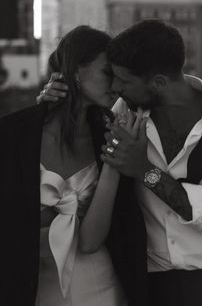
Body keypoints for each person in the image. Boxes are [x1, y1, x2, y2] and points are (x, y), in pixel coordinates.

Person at [41, 18, 202, 306]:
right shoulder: (122, 116)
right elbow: (68, 131)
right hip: (146, 287)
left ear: (158, 83)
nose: (115, 87)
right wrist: (50, 101)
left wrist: (145, 171)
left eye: (123, 80)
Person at [0, 25, 132, 306]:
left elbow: (90, 242)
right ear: (76, 71)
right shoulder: (13, 135)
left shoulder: (109, 136)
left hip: (99, 287)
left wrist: (113, 162)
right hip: (31, 287)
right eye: (108, 73)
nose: (117, 86)